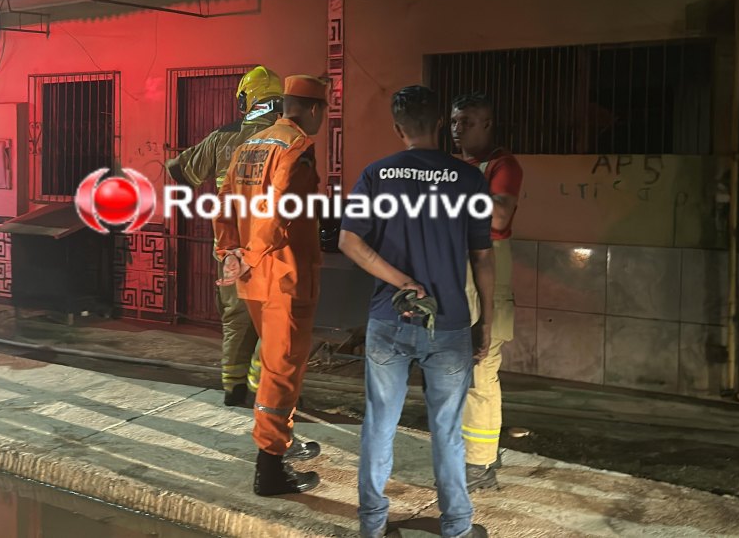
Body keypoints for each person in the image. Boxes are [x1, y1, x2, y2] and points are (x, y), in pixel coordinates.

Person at [339, 85, 493, 538]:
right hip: (448, 324)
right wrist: (485, 319)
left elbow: (350, 240)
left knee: (379, 424)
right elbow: (483, 256)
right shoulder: (469, 179)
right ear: (441, 123)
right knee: (447, 429)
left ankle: (373, 526)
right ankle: (458, 527)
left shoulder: (376, 175)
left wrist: (401, 281)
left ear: (397, 127)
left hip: (389, 319)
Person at [213, 74, 328, 496]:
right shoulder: (297, 149)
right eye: (324, 110)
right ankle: (271, 468)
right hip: (285, 277)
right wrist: (257, 252)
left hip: (251, 278)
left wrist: (232, 256)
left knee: (272, 369)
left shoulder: (249, 146)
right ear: (313, 109)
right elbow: (278, 214)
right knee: (282, 373)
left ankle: (279, 444)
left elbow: (223, 206)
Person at [164, 65, 284, 407]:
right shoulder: (288, 140)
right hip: (273, 247)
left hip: (230, 247)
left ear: (247, 100)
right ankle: (264, 388)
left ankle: (233, 388)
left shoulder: (222, 137)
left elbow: (179, 170)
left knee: (235, 318)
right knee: (275, 317)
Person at [450, 93, 523, 492]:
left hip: (489, 263)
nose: (458, 128)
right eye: (454, 121)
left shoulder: (502, 165)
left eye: (466, 121)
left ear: (487, 124)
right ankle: (472, 453)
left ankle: (478, 466)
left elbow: (497, 215)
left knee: (482, 366)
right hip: (455, 264)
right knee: (457, 366)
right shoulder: (455, 165)